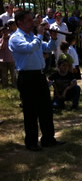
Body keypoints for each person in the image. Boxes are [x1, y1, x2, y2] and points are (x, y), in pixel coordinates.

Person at [9, 10, 65, 151]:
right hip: (27, 77)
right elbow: (30, 48)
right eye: (29, 20)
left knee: (46, 109)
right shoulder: (15, 38)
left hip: (40, 76)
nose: (33, 22)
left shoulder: (33, 36)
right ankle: (31, 142)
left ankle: (48, 139)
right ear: (19, 22)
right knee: (31, 111)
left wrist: (52, 38)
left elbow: (48, 48)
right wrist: (40, 34)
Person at [0, 22, 17, 87]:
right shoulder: (0, 40)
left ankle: (14, 84)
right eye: (3, 32)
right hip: (2, 60)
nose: (5, 33)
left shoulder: (12, 38)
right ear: (1, 33)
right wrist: (4, 40)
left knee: (13, 73)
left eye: (6, 31)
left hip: (11, 59)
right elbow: (1, 47)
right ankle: (5, 85)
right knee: (4, 74)